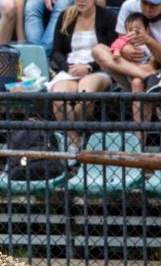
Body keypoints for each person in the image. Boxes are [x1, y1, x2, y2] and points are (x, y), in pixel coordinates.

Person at [47, 0, 117, 158]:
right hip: (71, 69)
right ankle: (74, 140)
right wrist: (67, 67)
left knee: (84, 96)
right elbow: (56, 51)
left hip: (98, 68)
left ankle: (80, 137)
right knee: (58, 98)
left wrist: (90, 67)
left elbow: (113, 51)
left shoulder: (108, 17)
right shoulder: (66, 16)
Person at [92, 0, 161, 138]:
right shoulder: (129, 7)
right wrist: (124, 50)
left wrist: (148, 40)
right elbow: (121, 41)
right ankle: (148, 76)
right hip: (133, 68)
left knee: (137, 82)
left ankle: (139, 143)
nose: (147, 9)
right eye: (144, 3)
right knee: (98, 50)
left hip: (156, 66)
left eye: (153, 5)